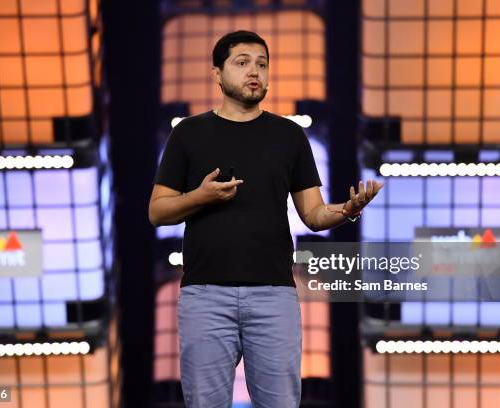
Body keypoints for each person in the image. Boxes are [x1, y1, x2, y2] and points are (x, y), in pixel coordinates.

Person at [149, 30, 383, 408]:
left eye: (261, 64)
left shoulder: (289, 135)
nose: (254, 72)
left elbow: (313, 214)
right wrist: (200, 197)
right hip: (206, 297)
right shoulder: (188, 134)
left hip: (274, 297)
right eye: (242, 63)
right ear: (217, 74)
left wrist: (347, 211)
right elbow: (157, 211)